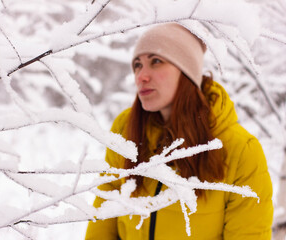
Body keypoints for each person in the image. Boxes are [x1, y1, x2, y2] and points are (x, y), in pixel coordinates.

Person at [85, 23, 273, 240]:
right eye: (137, 65)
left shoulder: (240, 151)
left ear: (187, 72)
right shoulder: (127, 129)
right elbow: (105, 210)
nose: (142, 76)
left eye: (156, 61)